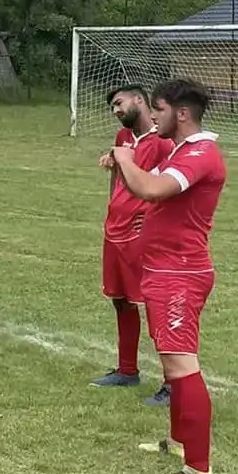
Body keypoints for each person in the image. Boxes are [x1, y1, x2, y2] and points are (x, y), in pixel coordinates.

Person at [111, 78, 226, 474]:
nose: (153, 116)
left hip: (180, 274)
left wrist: (125, 156)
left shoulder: (200, 153)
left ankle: (198, 470)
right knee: (171, 362)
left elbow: (151, 189)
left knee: (181, 365)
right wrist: (124, 162)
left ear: (181, 113)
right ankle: (179, 442)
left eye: (158, 109)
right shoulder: (179, 150)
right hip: (163, 271)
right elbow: (140, 187)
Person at [92, 84, 170, 398]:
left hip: (142, 235)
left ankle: (172, 381)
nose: (116, 110)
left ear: (140, 100)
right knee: (121, 299)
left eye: (119, 103)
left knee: (153, 302)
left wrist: (151, 218)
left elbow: (167, 185)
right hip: (115, 231)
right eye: (113, 107)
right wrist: (113, 208)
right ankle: (127, 370)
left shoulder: (163, 141)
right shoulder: (123, 137)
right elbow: (118, 181)